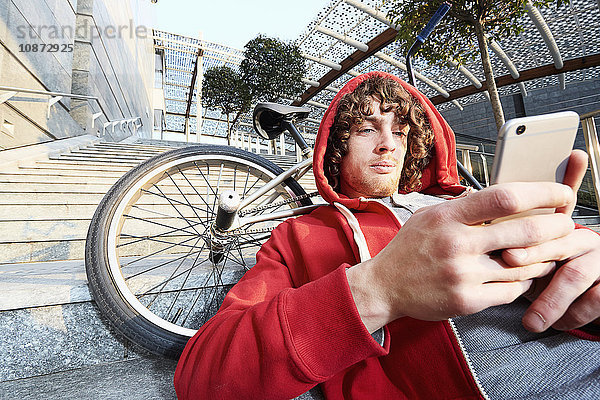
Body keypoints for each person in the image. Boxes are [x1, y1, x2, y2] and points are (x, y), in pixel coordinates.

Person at [174, 71, 600, 399]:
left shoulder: (475, 199)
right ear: (337, 147)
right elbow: (203, 376)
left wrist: (584, 275)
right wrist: (378, 289)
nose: (388, 145)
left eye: (400, 132)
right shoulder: (300, 233)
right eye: (367, 129)